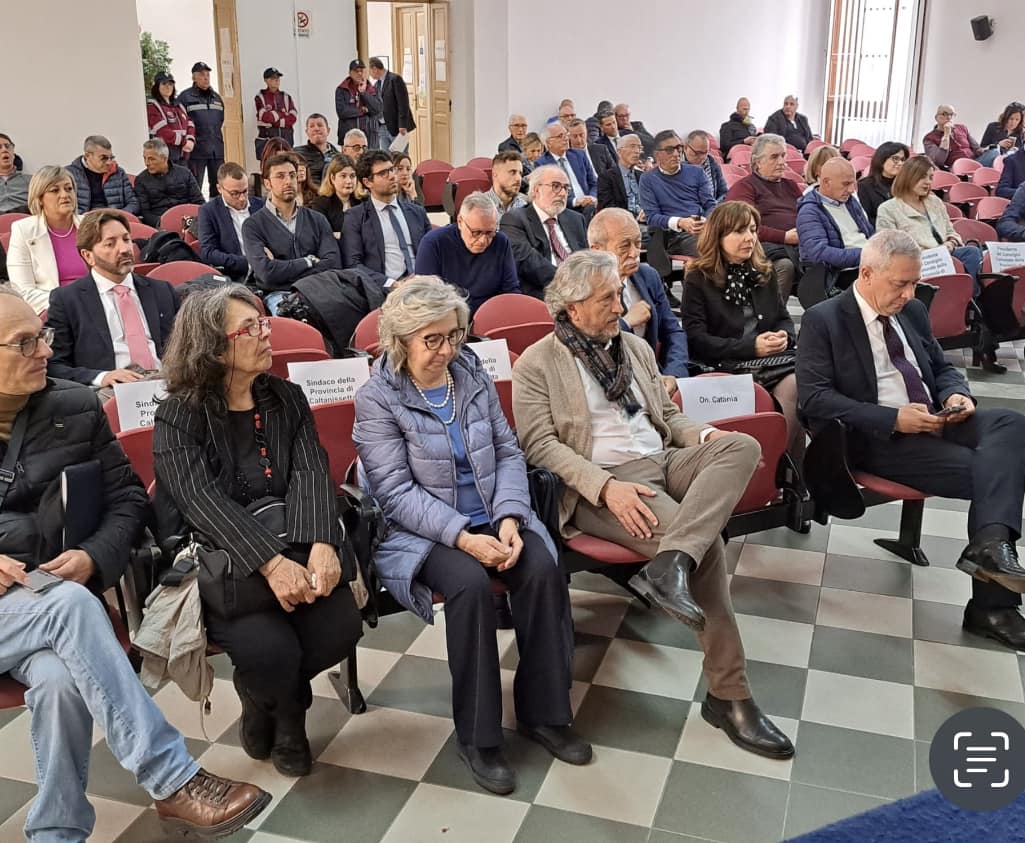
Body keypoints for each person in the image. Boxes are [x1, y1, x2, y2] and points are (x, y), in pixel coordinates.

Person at [0, 286, 271, 841]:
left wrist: (94, 555)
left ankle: (55, 833)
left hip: (40, 601)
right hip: (37, 606)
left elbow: (128, 498)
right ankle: (171, 778)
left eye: (43, 336)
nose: (46, 351)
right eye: (24, 342)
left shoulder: (73, 406)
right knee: (70, 606)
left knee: (58, 682)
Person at [513, 250, 794, 760]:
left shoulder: (634, 348)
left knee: (742, 446)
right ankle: (729, 696)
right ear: (572, 307)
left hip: (663, 458)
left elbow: (665, 414)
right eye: (606, 299)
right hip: (604, 483)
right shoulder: (538, 363)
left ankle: (670, 564)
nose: (619, 307)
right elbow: (540, 446)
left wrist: (703, 435)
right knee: (707, 550)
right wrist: (605, 489)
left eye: (618, 296)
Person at [353, 276, 589, 795]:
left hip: (489, 513)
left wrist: (508, 516)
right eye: (431, 340)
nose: (446, 350)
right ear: (401, 341)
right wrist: (463, 537)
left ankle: (545, 713)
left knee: (543, 568)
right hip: (420, 531)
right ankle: (479, 737)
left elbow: (507, 450)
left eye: (453, 335)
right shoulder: (377, 396)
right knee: (469, 585)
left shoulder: (471, 373)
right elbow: (393, 494)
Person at [153, 284, 364, 777]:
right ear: (212, 345)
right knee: (271, 652)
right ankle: (288, 716)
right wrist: (270, 563)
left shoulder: (286, 397)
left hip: (298, 540)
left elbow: (313, 470)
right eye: (250, 329)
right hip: (230, 564)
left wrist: (319, 545)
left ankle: (265, 697)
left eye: (263, 323)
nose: (266, 334)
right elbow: (200, 501)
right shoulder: (179, 414)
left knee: (341, 629)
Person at [796, 229, 1025, 651]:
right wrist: (892, 418)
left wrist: (955, 393)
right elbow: (814, 399)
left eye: (912, 283)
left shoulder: (914, 311)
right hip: (876, 436)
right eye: (898, 284)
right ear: (866, 274)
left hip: (936, 416)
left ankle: (990, 549)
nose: (907, 294)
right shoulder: (824, 319)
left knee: (1012, 426)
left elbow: (940, 367)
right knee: (995, 473)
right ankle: (993, 606)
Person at [681, 202, 803, 462]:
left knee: (802, 377)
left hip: (768, 361)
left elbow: (783, 319)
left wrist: (783, 337)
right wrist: (752, 347)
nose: (749, 238)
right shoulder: (698, 277)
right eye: (738, 232)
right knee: (798, 379)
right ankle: (776, 467)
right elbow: (696, 340)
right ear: (718, 236)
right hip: (724, 363)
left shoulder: (763, 271)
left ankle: (776, 464)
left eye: (752, 229)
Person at [45, 210, 178, 388]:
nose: (124, 249)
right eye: (110, 244)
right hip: (109, 391)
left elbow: (189, 349)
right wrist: (102, 377)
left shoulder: (162, 291)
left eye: (126, 239)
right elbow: (54, 366)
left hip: (168, 387)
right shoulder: (67, 300)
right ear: (88, 255)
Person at [588, 208, 688, 383]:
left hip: (653, 377)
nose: (635, 253)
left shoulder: (648, 276)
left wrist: (674, 374)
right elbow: (589, 347)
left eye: (638, 243)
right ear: (597, 250)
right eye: (624, 246)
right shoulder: (582, 288)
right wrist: (626, 323)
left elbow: (673, 331)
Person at [241, 154, 340, 314]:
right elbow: (266, 273)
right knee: (291, 320)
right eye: (280, 176)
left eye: (292, 175)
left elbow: (333, 263)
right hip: (279, 295)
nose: (288, 181)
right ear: (267, 183)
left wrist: (281, 268)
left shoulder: (316, 219)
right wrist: (308, 261)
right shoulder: (253, 226)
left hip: (319, 290)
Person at [875, 155, 983, 283]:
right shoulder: (888, 209)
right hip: (919, 261)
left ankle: (969, 297)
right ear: (908, 177)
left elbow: (951, 231)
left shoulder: (935, 202)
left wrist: (950, 244)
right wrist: (931, 253)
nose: (928, 182)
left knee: (972, 252)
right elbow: (891, 250)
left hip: (945, 253)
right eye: (922, 177)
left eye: (931, 177)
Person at [725, 134, 803, 300]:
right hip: (761, 248)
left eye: (783, 155)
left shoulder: (791, 185)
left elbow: (808, 214)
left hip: (799, 245)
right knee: (785, 265)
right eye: (774, 157)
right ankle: (772, 318)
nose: (781, 162)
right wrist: (784, 237)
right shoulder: (744, 187)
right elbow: (742, 227)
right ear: (757, 162)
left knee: (826, 260)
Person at [340, 149, 430, 290]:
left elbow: (433, 251)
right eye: (383, 173)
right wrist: (392, 284)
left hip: (423, 285)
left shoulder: (417, 212)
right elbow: (353, 264)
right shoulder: (355, 217)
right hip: (386, 290)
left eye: (392, 169)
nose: (392, 176)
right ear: (367, 182)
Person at [414, 192, 519, 312]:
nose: (483, 240)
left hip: (491, 315)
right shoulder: (433, 243)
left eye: (490, 232)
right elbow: (426, 297)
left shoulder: (501, 242)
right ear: (460, 222)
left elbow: (511, 290)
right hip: (448, 316)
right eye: (476, 232)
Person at [498, 165, 588, 298]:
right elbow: (529, 263)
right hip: (544, 293)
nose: (563, 193)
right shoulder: (514, 219)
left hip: (581, 291)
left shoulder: (575, 219)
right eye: (555, 186)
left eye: (566, 188)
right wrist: (570, 285)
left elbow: (586, 258)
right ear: (536, 190)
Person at [7, 167, 86, 314]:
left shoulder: (90, 225)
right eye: (55, 190)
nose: (65, 195)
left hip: (98, 305)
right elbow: (23, 291)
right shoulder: (23, 230)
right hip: (53, 310)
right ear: (40, 198)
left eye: (69, 189)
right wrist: (71, 302)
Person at [796, 158, 874, 300]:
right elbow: (819, 254)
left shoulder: (850, 201)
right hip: (839, 274)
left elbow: (869, 233)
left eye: (853, 183)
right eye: (846, 184)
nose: (851, 190)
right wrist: (864, 255)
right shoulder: (810, 211)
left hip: (867, 264)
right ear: (826, 182)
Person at [639, 130, 717, 258]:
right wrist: (680, 222)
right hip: (673, 235)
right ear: (657, 154)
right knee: (710, 247)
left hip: (702, 229)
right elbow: (652, 217)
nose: (676, 154)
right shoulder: (648, 179)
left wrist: (706, 220)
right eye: (669, 150)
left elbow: (710, 204)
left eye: (678, 148)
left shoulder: (697, 172)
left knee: (736, 240)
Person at [198, 162, 264, 281]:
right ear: (219, 189)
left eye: (245, 191)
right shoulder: (209, 211)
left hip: (267, 271)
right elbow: (208, 253)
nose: (242, 198)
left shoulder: (261, 205)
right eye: (235, 193)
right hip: (235, 276)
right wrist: (247, 262)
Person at [177, 61, 226, 198]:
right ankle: (194, 216)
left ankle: (217, 215)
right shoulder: (185, 97)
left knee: (219, 187)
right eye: (201, 75)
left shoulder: (216, 98)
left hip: (216, 150)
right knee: (194, 187)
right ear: (194, 77)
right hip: (196, 152)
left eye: (207, 75)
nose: (206, 78)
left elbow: (220, 120)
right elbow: (183, 123)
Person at [134, 138, 205, 227]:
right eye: (145, 158)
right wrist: (165, 223)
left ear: (164, 158)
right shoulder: (141, 180)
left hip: (188, 221)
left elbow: (199, 202)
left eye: (151, 159)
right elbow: (145, 213)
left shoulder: (185, 173)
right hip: (160, 224)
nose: (147, 163)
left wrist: (188, 222)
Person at [66, 135, 139, 216]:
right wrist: (81, 217)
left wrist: (119, 215)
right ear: (87, 156)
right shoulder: (68, 174)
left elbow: (134, 203)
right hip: (83, 221)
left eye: (111, 157)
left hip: (115, 220)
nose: (109, 162)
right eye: (103, 158)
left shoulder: (119, 172)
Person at [536, 122, 597, 216]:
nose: (566, 138)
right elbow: (550, 193)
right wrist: (574, 201)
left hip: (589, 205)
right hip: (565, 209)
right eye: (560, 136)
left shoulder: (579, 155)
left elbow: (594, 183)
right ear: (549, 142)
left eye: (566, 134)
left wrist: (592, 197)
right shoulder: (542, 164)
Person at [311, 154, 362, 255]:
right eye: (343, 176)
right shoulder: (321, 203)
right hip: (334, 255)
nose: (349, 181)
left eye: (352, 176)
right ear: (332, 178)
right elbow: (321, 235)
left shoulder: (363, 201)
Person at [146, 72, 195, 165]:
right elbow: (162, 131)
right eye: (164, 84)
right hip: (165, 157)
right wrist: (184, 142)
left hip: (183, 156)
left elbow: (190, 123)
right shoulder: (152, 106)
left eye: (170, 84)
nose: (168, 87)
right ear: (157, 86)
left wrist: (190, 140)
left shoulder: (178, 105)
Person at [368, 56, 415, 151]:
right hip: (382, 127)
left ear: (375, 69)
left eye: (369, 72)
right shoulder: (376, 85)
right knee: (386, 158)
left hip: (396, 127)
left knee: (399, 157)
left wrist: (402, 124)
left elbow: (403, 103)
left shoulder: (395, 79)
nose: (370, 75)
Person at [857, 142, 909, 225]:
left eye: (903, 160)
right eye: (895, 158)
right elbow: (866, 218)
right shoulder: (864, 186)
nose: (900, 163)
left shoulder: (906, 186)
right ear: (881, 159)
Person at [336, 59, 382, 148]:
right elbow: (342, 112)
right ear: (350, 73)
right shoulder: (341, 89)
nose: (359, 73)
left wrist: (364, 93)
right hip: (348, 138)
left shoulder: (372, 88)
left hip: (369, 138)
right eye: (356, 71)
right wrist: (363, 110)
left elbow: (377, 110)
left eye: (361, 71)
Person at [254, 67, 298, 160]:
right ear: (266, 80)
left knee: (288, 165)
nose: (276, 80)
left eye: (278, 78)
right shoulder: (260, 97)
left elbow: (293, 117)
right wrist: (283, 114)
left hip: (286, 140)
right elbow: (265, 117)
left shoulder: (286, 97)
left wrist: (274, 117)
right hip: (268, 141)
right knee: (269, 169)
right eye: (273, 78)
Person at [923, 105, 985, 170]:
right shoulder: (929, 138)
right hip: (955, 168)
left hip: (975, 162)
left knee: (994, 152)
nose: (949, 117)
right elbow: (938, 161)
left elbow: (977, 149)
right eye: (944, 114)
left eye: (952, 114)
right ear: (936, 117)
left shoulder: (962, 128)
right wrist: (946, 135)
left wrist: (986, 150)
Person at [597, 135, 645, 218]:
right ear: (619, 151)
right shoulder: (606, 178)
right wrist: (635, 216)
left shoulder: (643, 176)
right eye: (632, 146)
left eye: (639, 148)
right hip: (623, 222)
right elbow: (608, 208)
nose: (637, 151)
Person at [294, 113, 340, 188]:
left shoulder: (338, 156)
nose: (316, 129)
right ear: (307, 132)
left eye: (320, 125)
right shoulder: (297, 154)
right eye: (312, 126)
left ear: (328, 130)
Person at [683, 130, 727, 204]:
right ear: (685, 148)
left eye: (705, 152)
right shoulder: (676, 166)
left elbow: (724, 192)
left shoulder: (713, 164)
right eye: (697, 153)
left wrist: (714, 207)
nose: (702, 157)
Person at [484, 151, 528, 218]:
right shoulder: (480, 205)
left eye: (520, 173)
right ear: (495, 174)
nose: (518, 178)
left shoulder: (524, 206)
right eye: (512, 172)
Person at [0, 132, 31, 213]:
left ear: (13, 153)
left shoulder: (32, 180)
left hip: (25, 219)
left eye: (7, 146)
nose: (4, 150)